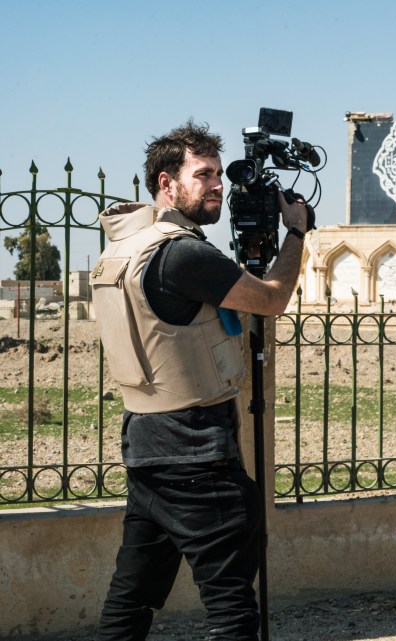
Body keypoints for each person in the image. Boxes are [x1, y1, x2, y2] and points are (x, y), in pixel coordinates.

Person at [91, 120, 308, 641]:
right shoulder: (183, 253)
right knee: (232, 608)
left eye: (218, 174)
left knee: (132, 600)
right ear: (167, 184)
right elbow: (273, 299)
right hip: (195, 453)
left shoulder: (124, 249)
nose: (217, 186)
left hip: (144, 444)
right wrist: (298, 231)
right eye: (203, 174)